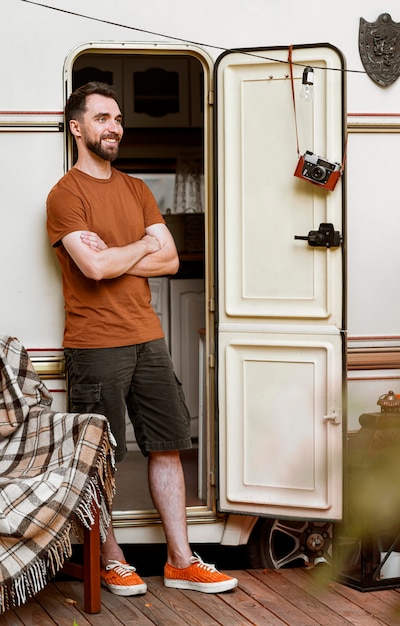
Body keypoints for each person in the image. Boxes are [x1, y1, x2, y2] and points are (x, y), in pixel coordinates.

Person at [46, 81, 238, 597]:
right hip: (94, 342)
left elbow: (169, 260)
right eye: (103, 118)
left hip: (147, 336)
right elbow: (94, 266)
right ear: (77, 127)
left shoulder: (137, 189)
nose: (114, 127)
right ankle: (111, 560)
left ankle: (180, 560)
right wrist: (136, 249)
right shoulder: (66, 195)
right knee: (104, 456)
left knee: (168, 446)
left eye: (118, 119)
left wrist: (116, 254)